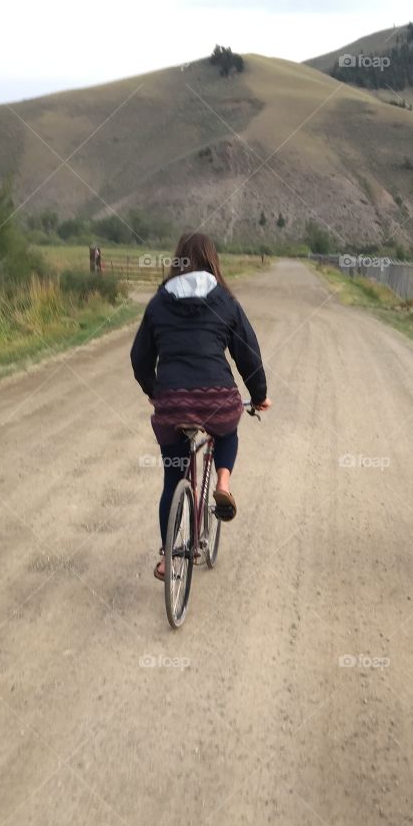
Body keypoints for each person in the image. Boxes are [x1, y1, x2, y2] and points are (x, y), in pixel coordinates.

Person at [130, 231, 270, 581]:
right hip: (216, 399)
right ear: (212, 260)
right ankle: (223, 484)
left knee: (172, 477)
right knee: (228, 429)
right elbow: (247, 354)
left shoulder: (160, 301)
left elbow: (139, 357)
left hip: (172, 402)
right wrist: (259, 393)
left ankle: (166, 557)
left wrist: (153, 390)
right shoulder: (224, 300)